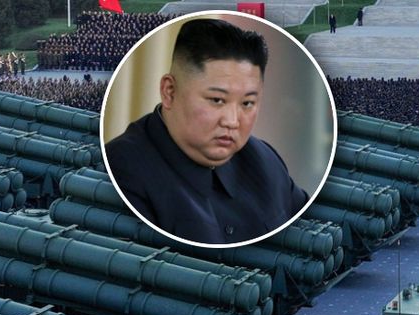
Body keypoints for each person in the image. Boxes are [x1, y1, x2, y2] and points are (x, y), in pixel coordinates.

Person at [105, 18, 308, 245]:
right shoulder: (119, 171)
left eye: (247, 103)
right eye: (217, 100)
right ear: (170, 92)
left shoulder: (266, 162)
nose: (232, 121)